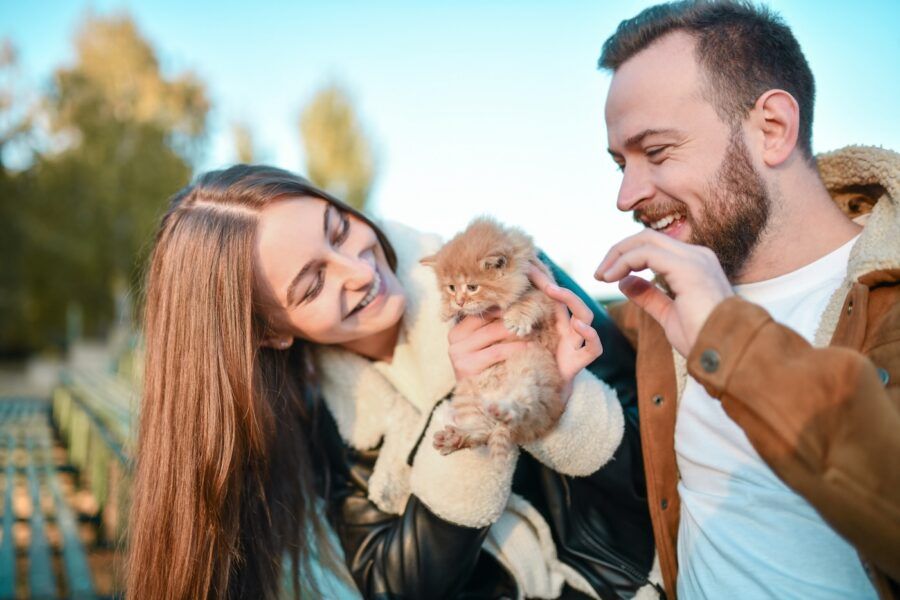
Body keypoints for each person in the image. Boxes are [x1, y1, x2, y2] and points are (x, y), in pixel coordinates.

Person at [125, 166, 660, 599]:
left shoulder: (508, 279)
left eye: (339, 230)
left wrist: (562, 405)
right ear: (270, 334)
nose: (358, 272)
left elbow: (663, 474)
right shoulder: (324, 419)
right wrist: (467, 422)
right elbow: (394, 586)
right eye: (313, 285)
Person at [593, 1, 900, 598]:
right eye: (620, 163)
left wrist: (730, 341)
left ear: (772, 129)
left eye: (655, 153)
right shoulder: (662, 307)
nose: (627, 195)